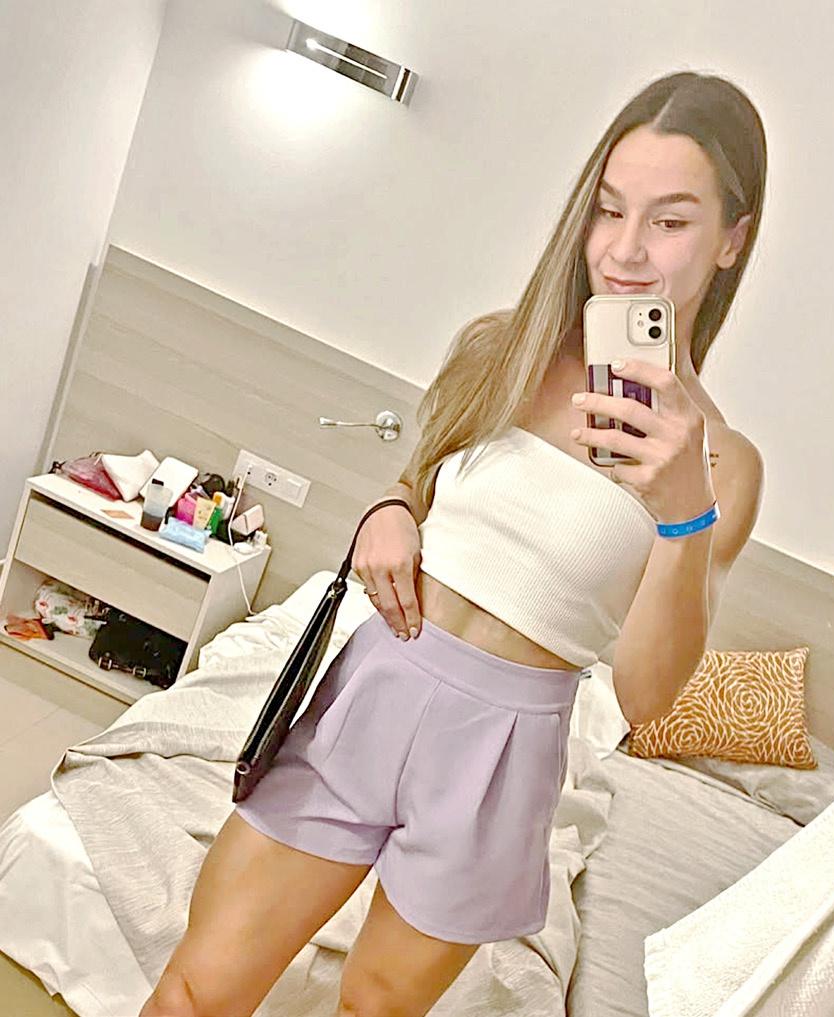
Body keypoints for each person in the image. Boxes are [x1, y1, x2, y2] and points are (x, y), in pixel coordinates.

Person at [139, 70, 767, 1017]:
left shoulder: (723, 461)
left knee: (374, 1011)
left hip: (505, 758)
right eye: (608, 209)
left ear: (731, 238)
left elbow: (645, 696)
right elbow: (417, 484)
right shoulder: (498, 349)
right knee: (198, 988)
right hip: (376, 684)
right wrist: (387, 512)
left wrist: (682, 512)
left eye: (670, 220)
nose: (626, 250)